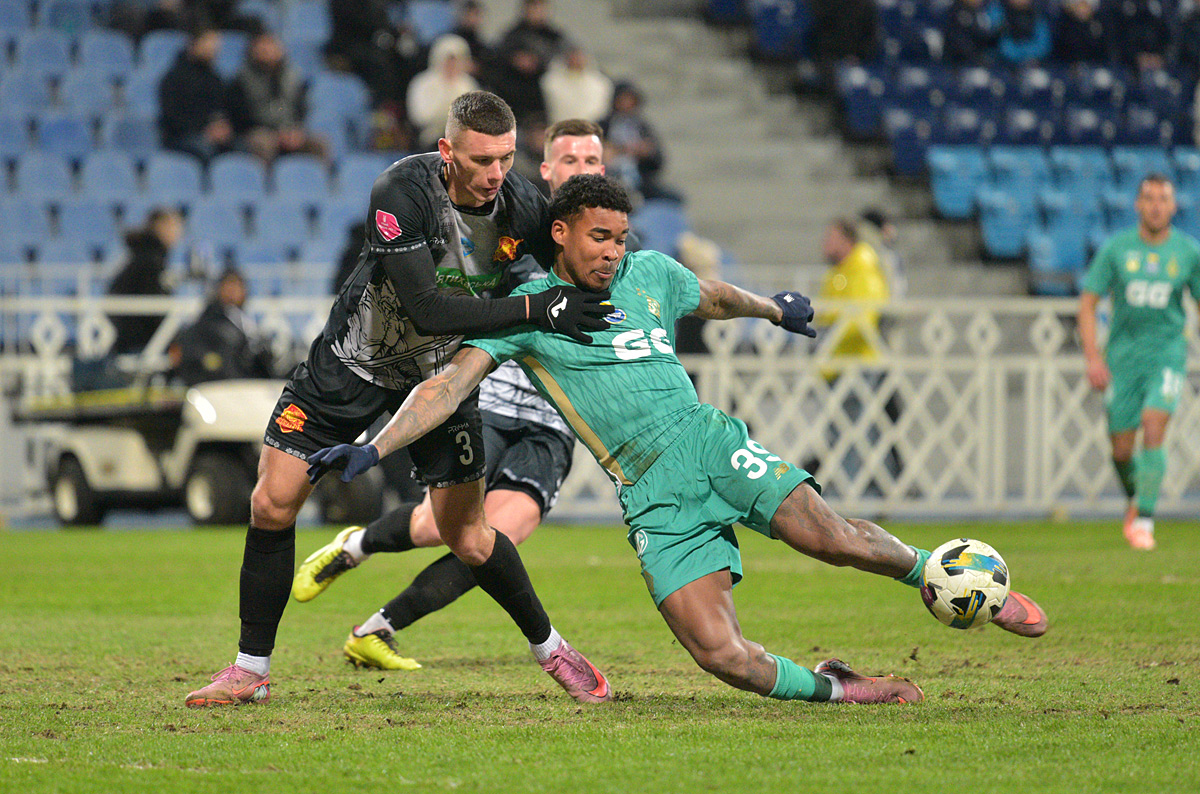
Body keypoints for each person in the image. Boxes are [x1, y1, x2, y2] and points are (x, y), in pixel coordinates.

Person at [307, 174, 1050, 706]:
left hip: (705, 442)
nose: (612, 252)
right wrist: (376, 446)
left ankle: (941, 575)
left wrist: (772, 309)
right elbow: (447, 386)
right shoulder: (526, 311)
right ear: (560, 234)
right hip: (649, 493)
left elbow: (713, 296)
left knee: (830, 539)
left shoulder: (651, 273)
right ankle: (838, 686)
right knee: (722, 658)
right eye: (599, 238)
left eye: (620, 239)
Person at [184, 92, 615, 708]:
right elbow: (427, 309)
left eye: (506, 158)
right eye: (481, 160)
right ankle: (251, 670)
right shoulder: (402, 193)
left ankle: (553, 651)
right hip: (351, 365)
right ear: (447, 152)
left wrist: (615, 279)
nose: (495, 173)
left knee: (469, 536)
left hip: (440, 383)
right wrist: (532, 308)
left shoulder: (521, 205)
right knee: (271, 504)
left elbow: (574, 271)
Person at [291, 119, 606, 671]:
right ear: (547, 169)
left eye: (592, 161)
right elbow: (445, 301)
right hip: (490, 394)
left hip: (551, 421)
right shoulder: (519, 222)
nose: (582, 170)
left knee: (499, 536)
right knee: (438, 527)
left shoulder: (611, 248)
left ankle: (376, 628)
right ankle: (355, 546)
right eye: (570, 160)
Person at [1078, 174, 1200, 551]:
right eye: (1149, 198)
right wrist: (1093, 358)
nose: (1156, 206)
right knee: (1121, 450)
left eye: (1163, 198)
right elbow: (1088, 303)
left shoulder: (1188, 252)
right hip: (1122, 360)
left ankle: (1145, 520)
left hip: (1167, 355)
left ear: (1174, 206)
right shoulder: (1117, 249)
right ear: (1137, 205)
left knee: (1153, 423)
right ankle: (1137, 498)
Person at [816, 218, 902, 497]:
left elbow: (865, 315)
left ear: (847, 240)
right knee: (851, 430)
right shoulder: (839, 271)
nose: (825, 244)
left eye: (831, 238)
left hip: (859, 361)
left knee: (860, 431)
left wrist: (830, 330)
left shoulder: (862, 267)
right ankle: (877, 490)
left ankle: (858, 493)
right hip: (840, 362)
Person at [226, 29, 329, 165]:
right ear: (252, 50)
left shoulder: (293, 76)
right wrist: (275, 132)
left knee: (319, 144)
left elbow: (301, 107)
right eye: (262, 45)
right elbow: (241, 113)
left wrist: (295, 130)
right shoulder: (242, 79)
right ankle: (263, 178)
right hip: (259, 129)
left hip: (290, 128)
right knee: (263, 143)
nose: (267, 49)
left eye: (271, 44)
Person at [173, 268, 274, 386]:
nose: (232, 291)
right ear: (219, 289)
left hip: (246, 385)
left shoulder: (244, 321)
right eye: (228, 285)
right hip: (222, 385)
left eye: (237, 286)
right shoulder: (208, 322)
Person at [108, 207, 184, 356]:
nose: (177, 232)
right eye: (172, 226)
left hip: (133, 338)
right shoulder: (150, 261)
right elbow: (156, 306)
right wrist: (173, 340)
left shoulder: (143, 255)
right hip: (140, 342)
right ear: (159, 226)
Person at [158, 26, 234, 164]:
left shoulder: (215, 78)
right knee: (205, 150)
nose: (212, 48)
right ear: (193, 44)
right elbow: (172, 116)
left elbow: (222, 109)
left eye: (215, 44)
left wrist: (222, 127)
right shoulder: (173, 78)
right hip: (181, 136)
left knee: (240, 148)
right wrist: (204, 130)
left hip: (212, 134)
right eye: (208, 42)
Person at [407, 34, 479, 152]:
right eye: (448, 60)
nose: (451, 64)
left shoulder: (468, 84)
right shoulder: (423, 83)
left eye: (456, 60)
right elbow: (420, 116)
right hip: (430, 141)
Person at [540, 46, 613, 124]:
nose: (575, 61)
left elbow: (601, 110)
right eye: (572, 58)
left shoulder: (600, 82)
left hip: (590, 125)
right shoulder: (551, 81)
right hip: (560, 125)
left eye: (579, 58)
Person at [988, 0, 1051, 66]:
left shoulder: (1038, 14)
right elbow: (1003, 45)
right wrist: (1019, 58)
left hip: (1036, 62)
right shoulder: (1000, 13)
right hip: (1004, 64)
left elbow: (1044, 44)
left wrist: (1029, 56)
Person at [1052, 0, 1112, 64]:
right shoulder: (1065, 25)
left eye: (1085, 6)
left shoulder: (1098, 24)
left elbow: (1103, 50)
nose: (1082, 9)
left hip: (1095, 64)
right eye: (1079, 6)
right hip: (1068, 64)